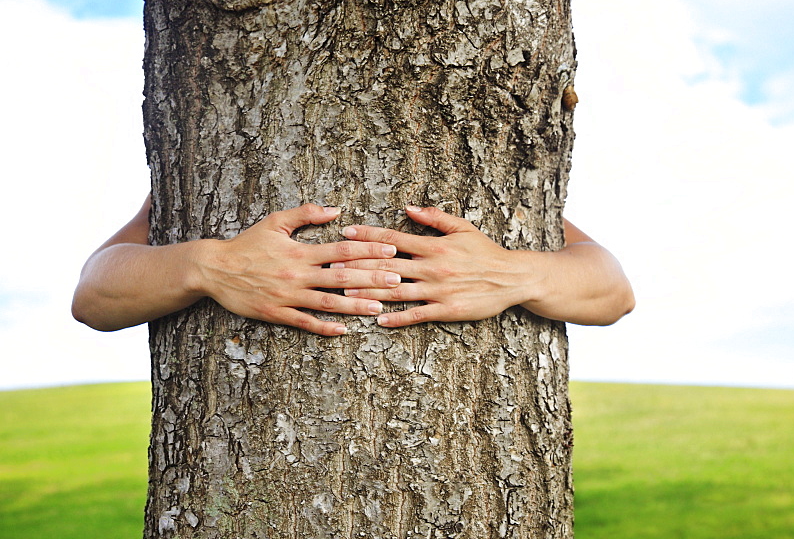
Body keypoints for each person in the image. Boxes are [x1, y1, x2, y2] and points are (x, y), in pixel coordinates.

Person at [72, 194, 634, 335]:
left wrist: (515, 274)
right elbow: (94, 295)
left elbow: (613, 291)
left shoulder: (511, 186)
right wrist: (210, 266)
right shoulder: (185, 176)